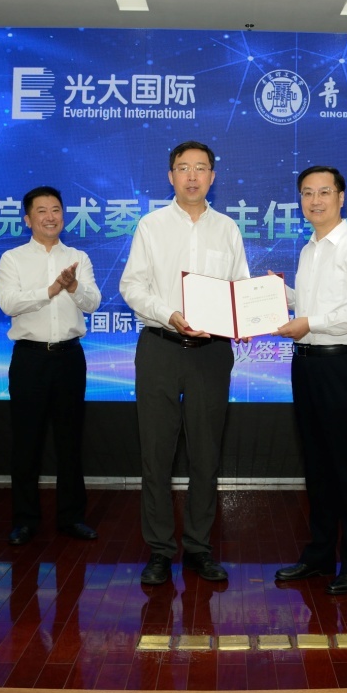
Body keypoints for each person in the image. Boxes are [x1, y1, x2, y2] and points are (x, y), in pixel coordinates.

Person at [120, 140, 249, 585]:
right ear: (170, 175)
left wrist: (251, 311)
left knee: (205, 454)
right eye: (183, 167)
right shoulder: (151, 226)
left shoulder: (227, 229)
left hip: (211, 353)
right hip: (160, 345)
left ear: (213, 176)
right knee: (156, 454)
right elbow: (132, 286)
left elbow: (239, 287)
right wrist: (169, 314)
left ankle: (198, 548)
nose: (192, 176)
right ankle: (159, 550)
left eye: (200, 168)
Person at [274, 166, 347, 595]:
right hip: (306, 365)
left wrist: (310, 322)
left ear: (341, 197)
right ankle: (320, 554)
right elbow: (311, 306)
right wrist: (280, 296)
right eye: (307, 193)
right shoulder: (309, 249)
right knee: (317, 466)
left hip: (342, 366)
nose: (315, 200)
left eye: (324, 192)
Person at [0, 186, 101, 546]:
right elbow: (9, 303)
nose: (50, 216)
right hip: (30, 358)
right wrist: (51, 289)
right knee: (27, 441)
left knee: (70, 441)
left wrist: (72, 287)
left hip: (70, 358)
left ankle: (72, 517)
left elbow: (93, 302)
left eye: (55, 209)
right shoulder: (12, 258)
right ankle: (25, 520)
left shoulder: (78, 257)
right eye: (41, 211)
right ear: (28, 219)